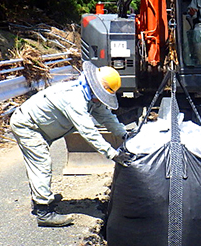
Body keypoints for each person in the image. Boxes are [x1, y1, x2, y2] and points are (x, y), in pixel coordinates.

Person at [9, 61, 130, 227]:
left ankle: (41, 197)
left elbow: (107, 117)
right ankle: (44, 211)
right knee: (41, 163)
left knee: (39, 165)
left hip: (44, 127)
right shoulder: (74, 98)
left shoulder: (91, 97)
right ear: (96, 87)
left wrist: (124, 135)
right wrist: (113, 154)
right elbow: (88, 132)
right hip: (28, 125)